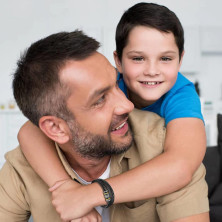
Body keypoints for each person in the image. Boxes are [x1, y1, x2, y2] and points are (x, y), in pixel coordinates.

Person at [17, 2, 208, 221]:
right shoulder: (108, 83)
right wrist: (65, 187)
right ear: (118, 60)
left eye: (165, 58)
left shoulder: (181, 94)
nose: (152, 71)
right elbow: (31, 131)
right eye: (138, 58)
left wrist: (88, 195)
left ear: (180, 59)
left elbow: (181, 165)